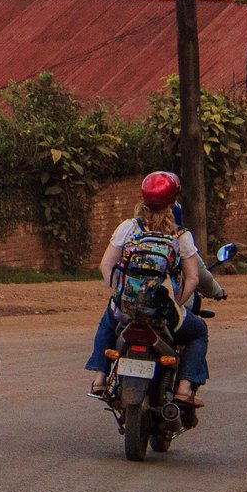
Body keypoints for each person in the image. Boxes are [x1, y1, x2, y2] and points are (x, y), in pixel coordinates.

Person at [86, 171, 208, 407]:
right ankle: (184, 389)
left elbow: (106, 264)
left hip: (126, 308)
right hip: (164, 312)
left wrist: (119, 294)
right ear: (173, 201)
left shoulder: (128, 228)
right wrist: (177, 304)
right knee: (199, 332)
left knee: (106, 323)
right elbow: (193, 278)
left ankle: (100, 379)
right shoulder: (181, 236)